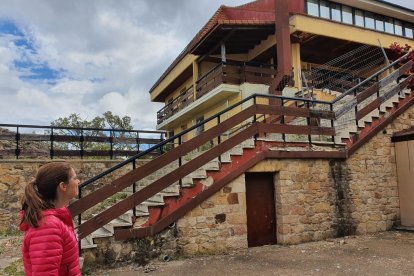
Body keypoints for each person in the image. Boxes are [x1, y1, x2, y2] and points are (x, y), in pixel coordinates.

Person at [20, 162, 81, 275]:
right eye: (75, 178)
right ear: (63, 186)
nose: (78, 181)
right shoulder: (48, 226)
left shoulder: (54, 219)